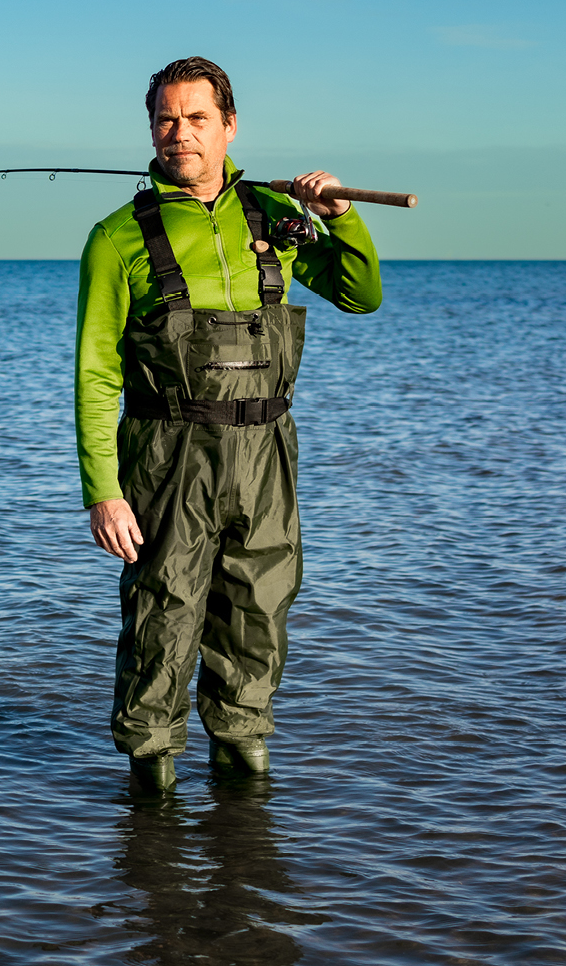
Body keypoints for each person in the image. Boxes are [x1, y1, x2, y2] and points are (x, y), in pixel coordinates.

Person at [76, 56, 384, 791]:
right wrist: (103, 488)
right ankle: (148, 812)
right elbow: (95, 372)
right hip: (166, 451)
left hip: (267, 450)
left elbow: (361, 294)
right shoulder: (117, 237)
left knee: (259, 611)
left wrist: (340, 218)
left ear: (229, 126)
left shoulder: (276, 219)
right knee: (162, 615)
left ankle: (245, 800)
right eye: (165, 119)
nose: (179, 133)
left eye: (196, 118)